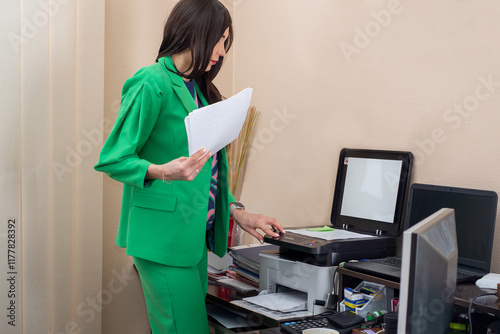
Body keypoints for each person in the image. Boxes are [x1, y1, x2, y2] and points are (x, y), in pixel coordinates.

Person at [94, 0, 284, 333]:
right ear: (196, 31)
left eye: (226, 42)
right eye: (219, 39)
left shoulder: (201, 90)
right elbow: (113, 159)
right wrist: (163, 171)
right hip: (163, 241)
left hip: (193, 239)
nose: (223, 51)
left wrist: (240, 213)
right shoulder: (150, 83)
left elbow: (207, 175)